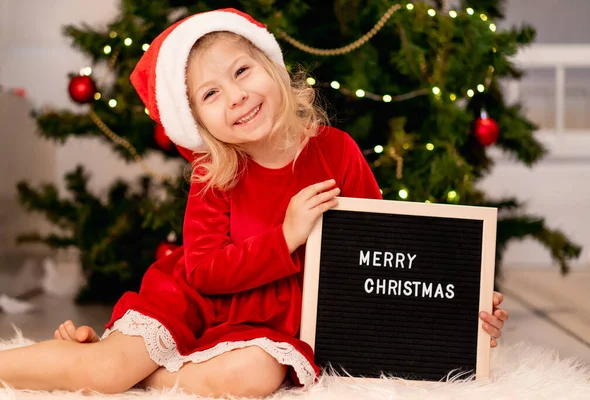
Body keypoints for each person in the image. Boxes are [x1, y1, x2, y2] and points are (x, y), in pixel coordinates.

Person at [0, 8, 509, 397]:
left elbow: (388, 247)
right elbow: (202, 272)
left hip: (268, 328)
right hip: (193, 306)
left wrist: (460, 306)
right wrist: (285, 236)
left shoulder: (335, 150)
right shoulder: (213, 174)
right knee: (107, 373)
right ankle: (110, 361)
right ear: (197, 123)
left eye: (242, 72)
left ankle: (152, 376)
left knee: (257, 374)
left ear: (273, 68)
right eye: (211, 94)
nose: (237, 96)